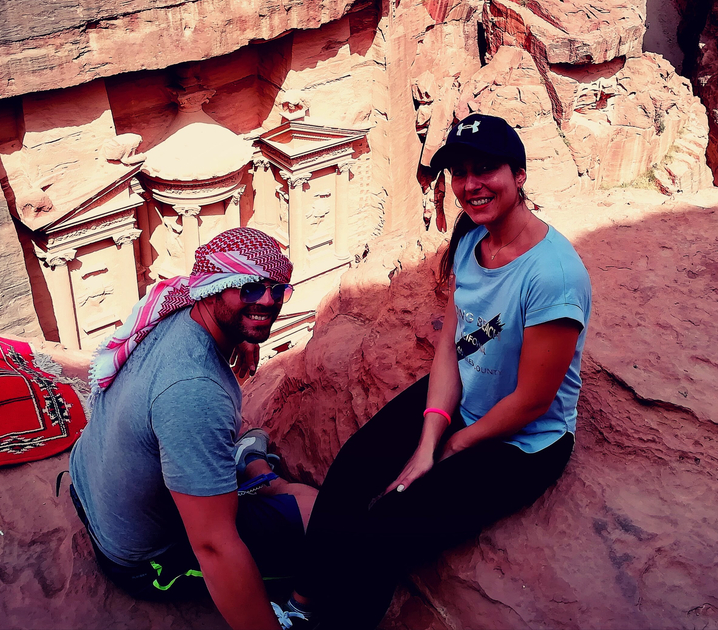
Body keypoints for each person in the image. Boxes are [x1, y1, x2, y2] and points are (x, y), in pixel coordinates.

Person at [282, 113, 593, 628]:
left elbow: (533, 400)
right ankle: (301, 603)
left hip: (524, 443)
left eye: (486, 169)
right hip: (464, 396)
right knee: (353, 469)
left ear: (519, 175)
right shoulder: (474, 239)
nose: (471, 185)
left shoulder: (554, 275)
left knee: (386, 531)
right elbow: (451, 342)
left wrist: (454, 447)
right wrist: (428, 441)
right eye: (460, 172)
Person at [68, 227, 318, 630]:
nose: (268, 301)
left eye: (277, 290)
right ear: (214, 287)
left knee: (295, 498)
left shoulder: (177, 307)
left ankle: (249, 467)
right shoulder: (194, 392)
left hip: (88, 487)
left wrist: (246, 331)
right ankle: (256, 474)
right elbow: (214, 547)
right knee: (320, 519)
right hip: (142, 557)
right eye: (250, 289)